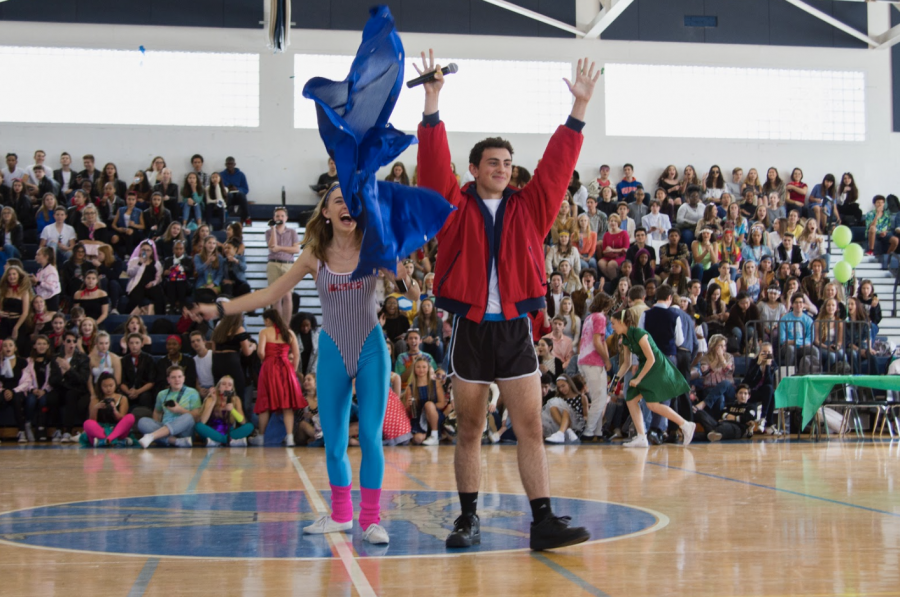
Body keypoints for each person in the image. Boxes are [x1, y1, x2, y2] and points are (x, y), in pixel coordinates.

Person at [413, 51, 600, 551]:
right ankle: (468, 519)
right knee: (470, 429)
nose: (502, 168)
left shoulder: (531, 208)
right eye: (492, 162)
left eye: (508, 163)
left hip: (515, 330)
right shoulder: (452, 207)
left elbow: (558, 168)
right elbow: (432, 170)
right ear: (473, 169)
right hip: (472, 331)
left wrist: (577, 111)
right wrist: (432, 103)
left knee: (531, 428)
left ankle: (542, 522)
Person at [192, 183, 421, 546]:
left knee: (371, 438)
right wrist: (221, 308)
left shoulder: (374, 249)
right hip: (331, 350)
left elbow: (411, 296)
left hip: (371, 350)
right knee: (333, 441)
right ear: (326, 212)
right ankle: (342, 515)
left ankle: (372, 520)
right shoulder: (313, 255)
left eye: (351, 201)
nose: (346, 206)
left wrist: (410, 284)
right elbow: (270, 294)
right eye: (337, 201)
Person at [610, 308, 695, 448]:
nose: (612, 326)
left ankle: (685, 425)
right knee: (634, 399)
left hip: (656, 366)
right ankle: (644, 436)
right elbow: (627, 363)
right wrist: (615, 380)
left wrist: (638, 379)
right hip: (647, 366)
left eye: (613, 323)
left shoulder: (639, 334)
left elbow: (652, 359)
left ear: (621, 322)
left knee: (650, 403)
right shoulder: (626, 338)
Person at [253, 309, 306, 447]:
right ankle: (289, 437)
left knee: (264, 403)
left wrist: (265, 360)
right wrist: (292, 370)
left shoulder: (264, 332)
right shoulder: (290, 333)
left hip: (269, 367)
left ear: (269, 320)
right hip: (285, 367)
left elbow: (260, 351)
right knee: (287, 404)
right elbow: (296, 354)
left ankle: (261, 437)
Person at [138, 365, 202, 448]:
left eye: (179, 376)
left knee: (188, 417)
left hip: (184, 432)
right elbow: (157, 412)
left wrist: (180, 410)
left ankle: (153, 436)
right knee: (142, 422)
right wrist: (158, 427)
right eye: (173, 377)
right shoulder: (161, 394)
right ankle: (175, 441)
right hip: (165, 428)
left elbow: (197, 417)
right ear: (168, 380)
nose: (177, 380)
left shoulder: (193, 392)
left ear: (184, 378)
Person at [577, 292, 613, 441]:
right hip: (593, 361)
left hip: (583, 359)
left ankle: (597, 431)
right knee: (600, 398)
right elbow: (598, 342)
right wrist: (607, 360)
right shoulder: (600, 317)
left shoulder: (588, 318)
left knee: (597, 396)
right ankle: (589, 431)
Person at [196, 375, 255, 447]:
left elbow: (243, 422)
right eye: (223, 384)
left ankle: (219, 442)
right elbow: (203, 421)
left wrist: (233, 410)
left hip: (229, 432)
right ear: (219, 387)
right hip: (213, 432)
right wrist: (213, 402)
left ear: (232, 389)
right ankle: (229, 441)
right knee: (198, 426)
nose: (226, 387)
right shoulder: (211, 398)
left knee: (250, 426)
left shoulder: (236, 399)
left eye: (229, 385)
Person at [265, 207, 300, 323]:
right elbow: (272, 247)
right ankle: (278, 325)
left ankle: (286, 325)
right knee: (276, 296)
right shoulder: (269, 232)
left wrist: (280, 248)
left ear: (286, 218)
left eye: (282, 216)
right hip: (274, 264)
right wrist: (273, 229)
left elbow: (296, 249)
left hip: (288, 264)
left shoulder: (292, 232)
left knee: (287, 295)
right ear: (274, 218)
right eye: (277, 216)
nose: (280, 218)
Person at [402, 356, 447, 445]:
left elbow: (442, 403)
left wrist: (427, 408)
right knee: (417, 439)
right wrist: (408, 406)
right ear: (414, 369)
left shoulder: (435, 383)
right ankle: (427, 435)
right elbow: (408, 411)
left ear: (428, 368)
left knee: (429, 405)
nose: (421, 370)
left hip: (434, 415)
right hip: (419, 418)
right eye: (418, 367)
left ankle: (434, 435)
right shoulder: (411, 387)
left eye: (424, 367)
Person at [83, 371, 135, 447]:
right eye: (105, 386)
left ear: (115, 385)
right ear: (100, 386)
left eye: (111, 385)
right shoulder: (95, 399)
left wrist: (114, 410)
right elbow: (92, 420)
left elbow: (121, 419)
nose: (108, 388)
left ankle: (109, 439)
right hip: (101, 429)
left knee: (130, 417)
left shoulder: (122, 398)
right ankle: (113, 441)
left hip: (116, 429)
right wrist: (96, 408)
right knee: (87, 423)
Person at [120, 333, 156, 411]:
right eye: (131, 343)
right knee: (121, 396)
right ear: (128, 344)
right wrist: (128, 392)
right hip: (128, 390)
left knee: (146, 397)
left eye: (137, 343)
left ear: (142, 344)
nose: (134, 345)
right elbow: (122, 381)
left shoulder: (149, 359)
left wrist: (138, 391)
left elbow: (151, 381)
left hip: (143, 390)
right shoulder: (124, 360)